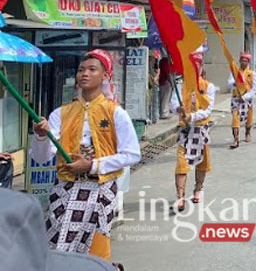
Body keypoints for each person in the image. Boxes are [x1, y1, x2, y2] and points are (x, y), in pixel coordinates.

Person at [31, 50, 140, 264]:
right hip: (65, 190)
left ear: (105, 76)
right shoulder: (60, 114)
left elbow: (132, 154)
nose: (85, 74)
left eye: (92, 69)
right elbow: (43, 158)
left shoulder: (116, 112)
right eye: (81, 69)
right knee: (55, 250)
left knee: (95, 253)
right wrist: (41, 137)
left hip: (100, 191)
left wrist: (92, 165)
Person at [171, 52, 215, 211]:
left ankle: (198, 188)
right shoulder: (180, 85)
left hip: (201, 129)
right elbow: (173, 103)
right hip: (185, 131)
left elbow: (208, 110)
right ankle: (180, 197)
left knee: (202, 162)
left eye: (196, 65)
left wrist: (192, 116)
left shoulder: (208, 86)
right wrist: (178, 108)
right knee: (181, 164)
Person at [230, 53, 256, 149]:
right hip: (236, 99)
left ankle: (247, 133)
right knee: (235, 118)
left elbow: (255, 88)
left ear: (248, 62)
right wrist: (234, 83)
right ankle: (236, 139)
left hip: (247, 99)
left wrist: (246, 96)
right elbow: (229, 82)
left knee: (249, 119)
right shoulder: (235, 72)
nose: (243, 62)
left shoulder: (252, 73)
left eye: (245, 61)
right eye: (242, 61)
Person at [158, 54, 172, 119]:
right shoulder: (166, 62)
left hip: (161, 81)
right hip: (166, 82)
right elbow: (168, 73)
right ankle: (164, 113)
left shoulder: (161, 61)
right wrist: (171, 82)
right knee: (165, 98)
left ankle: (164, 112)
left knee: (163, 97)